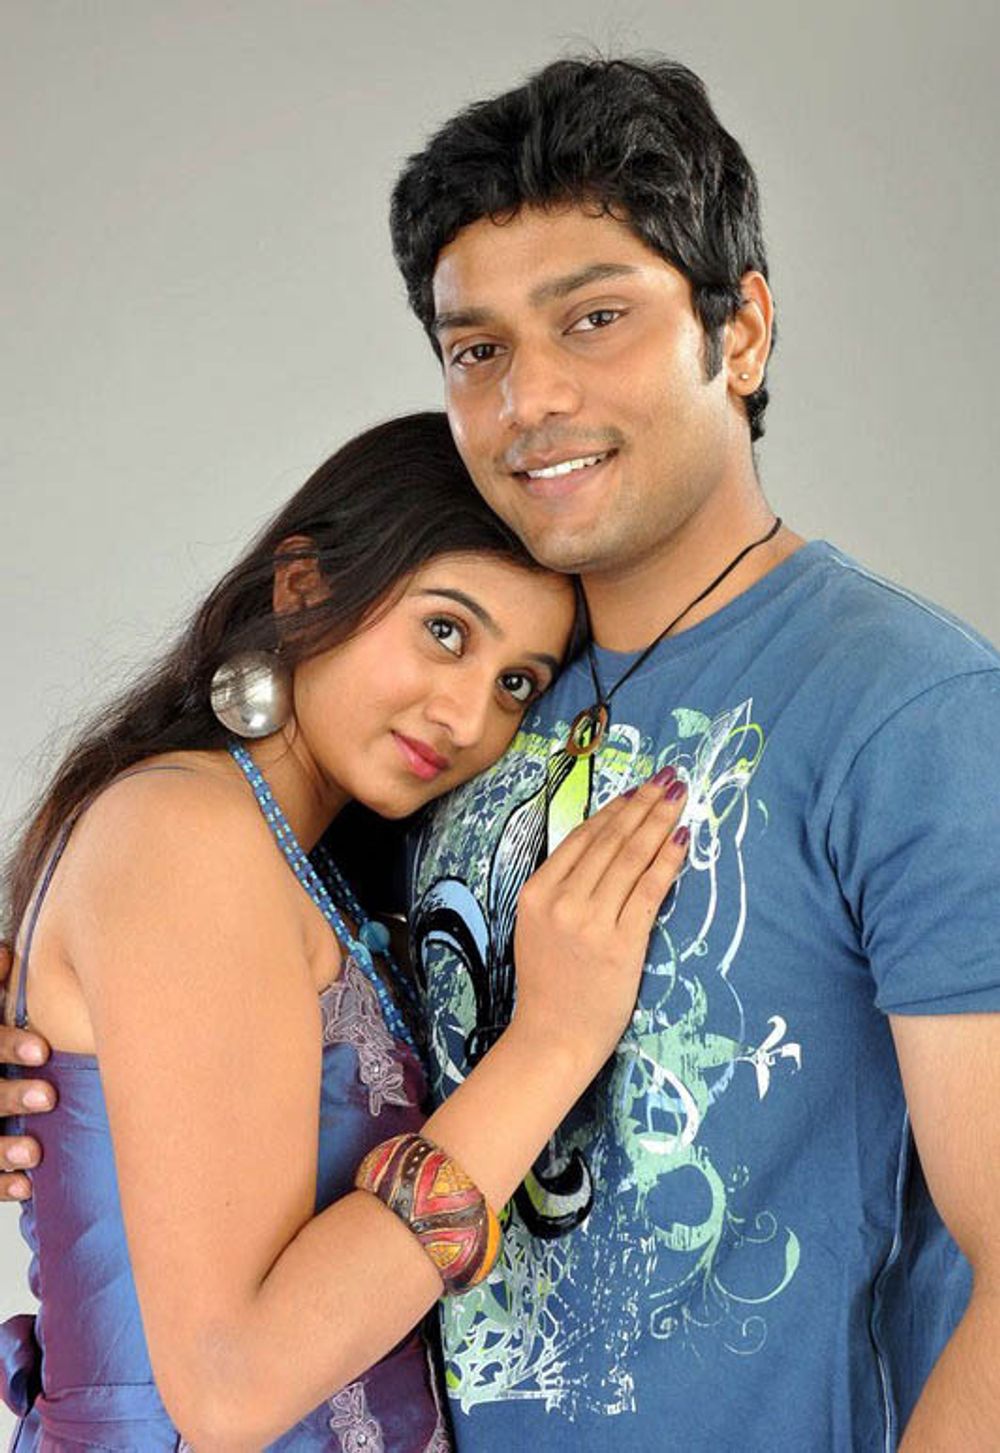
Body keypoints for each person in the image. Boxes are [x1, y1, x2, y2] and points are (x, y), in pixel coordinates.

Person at [4, 52, 1000, 1451]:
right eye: (479, 350)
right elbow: (246, 1028)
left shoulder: (913, 709)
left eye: (594, 318)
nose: (531, 397)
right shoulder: (454, 722)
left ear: (741, 332)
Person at [0, 409, 692, 1450]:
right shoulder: (186, 830)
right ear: (302, 587)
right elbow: (230, 1390)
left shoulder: (295, 860)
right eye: (446, 631)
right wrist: (553, 1042)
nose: (466, 716)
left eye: (516, 683)